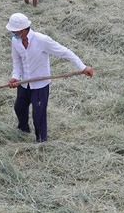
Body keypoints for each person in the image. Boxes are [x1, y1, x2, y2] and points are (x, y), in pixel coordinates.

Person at [6, 13, 94, 143]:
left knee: (39, 117)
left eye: (14, 30)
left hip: (40, 86)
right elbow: (17, 62)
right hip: (24, 83)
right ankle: (23, 129)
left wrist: (83, 67)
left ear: (23, 29)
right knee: (19, 107)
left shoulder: (42, 40)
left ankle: (41, 141)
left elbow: (65, 52)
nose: (12, 33)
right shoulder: (15, 41)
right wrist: (15, 77)